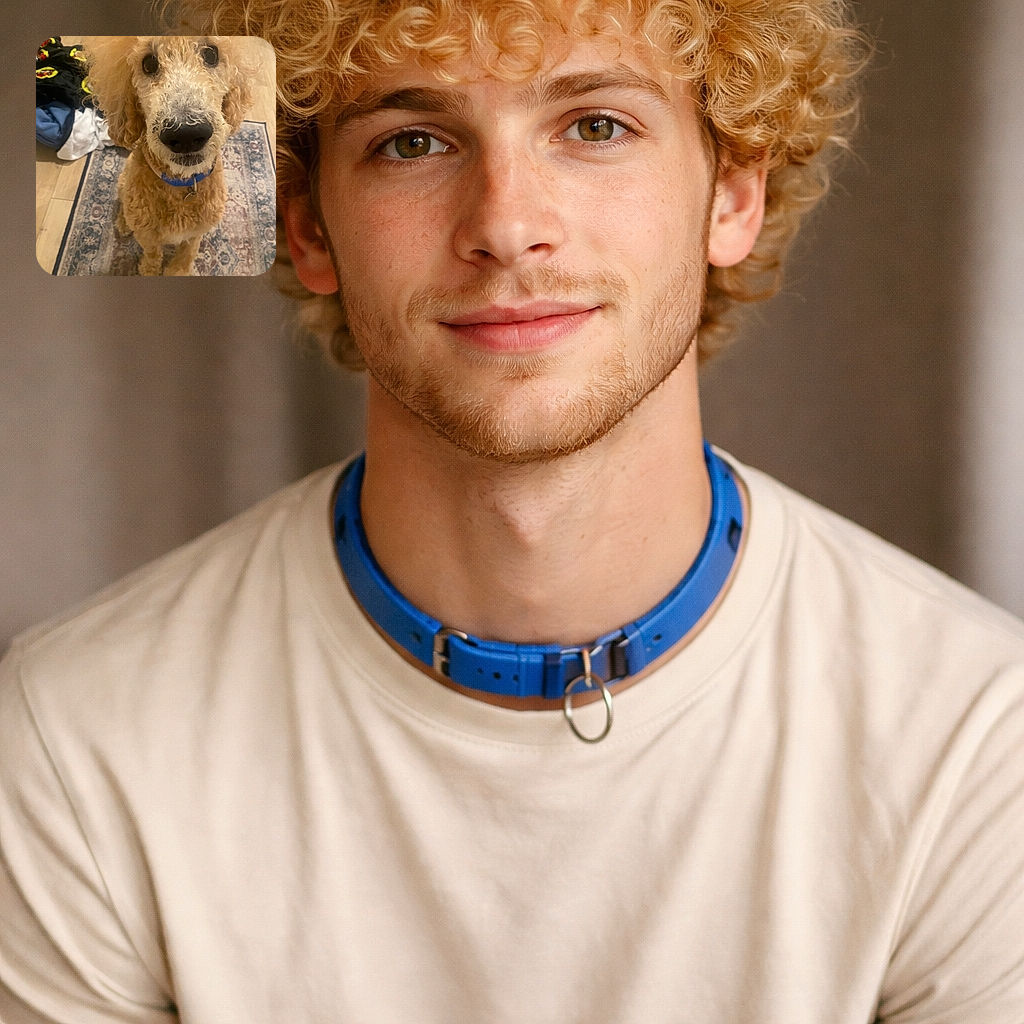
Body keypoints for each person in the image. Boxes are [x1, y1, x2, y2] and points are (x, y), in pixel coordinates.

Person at [2, 0, 1023, 1020]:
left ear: (734, 191)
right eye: (412, 142)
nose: (504, 224)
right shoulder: (69, 739)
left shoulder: (976, 741)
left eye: (594, 126)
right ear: (309, 226)